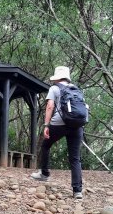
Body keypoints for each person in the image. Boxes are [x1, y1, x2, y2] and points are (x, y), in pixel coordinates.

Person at [31, 66, 84, 199]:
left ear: (57, 78)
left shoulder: (54, 88)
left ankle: (44, 174)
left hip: (59, 123)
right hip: (77, 125)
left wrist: (46, 125)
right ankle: (77, 191)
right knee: (75, 158)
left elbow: (50, 106)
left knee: (46, 145)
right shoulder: (76, 89)